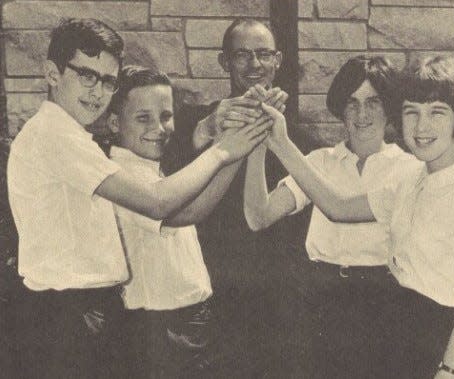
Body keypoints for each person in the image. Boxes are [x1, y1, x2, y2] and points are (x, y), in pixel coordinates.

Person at [7, 18, 269, 379]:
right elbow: (158, 202)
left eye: (108, 81)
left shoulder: (70, 136)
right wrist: (224, 151)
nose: (97, 91)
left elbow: (181, 206)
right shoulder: (55, 135)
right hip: (68, 314)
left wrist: (229, 146)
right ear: (52, 73)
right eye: (87, 75)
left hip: (85, 311)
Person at [257, 56, 454, 379]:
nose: (421, 127)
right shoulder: (410, 181)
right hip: (402, 341)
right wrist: (280, 142)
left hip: (450, 350)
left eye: (436, 112)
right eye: (411, 112)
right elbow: (336, 206)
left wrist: (448, 372)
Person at [244, 55, 421, 377]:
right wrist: (257, 142)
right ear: (340, 108)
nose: (362, 114)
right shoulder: (320, 161)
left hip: (385, 303)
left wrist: (282, 144)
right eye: (352, 103)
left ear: (390, 108)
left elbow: (338, 208)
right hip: (321, 303)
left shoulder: (410, 170)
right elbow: (259, 216)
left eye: (373, 102)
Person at [160, 18, 289, 376]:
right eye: (242, 55)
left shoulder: (295, 135)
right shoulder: (194, 123)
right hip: (209, 291)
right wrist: (207, 129)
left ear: (278, 60)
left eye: (264, 54)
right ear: (224, 62)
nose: (255, 65)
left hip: (272, 296)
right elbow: (164, 182)